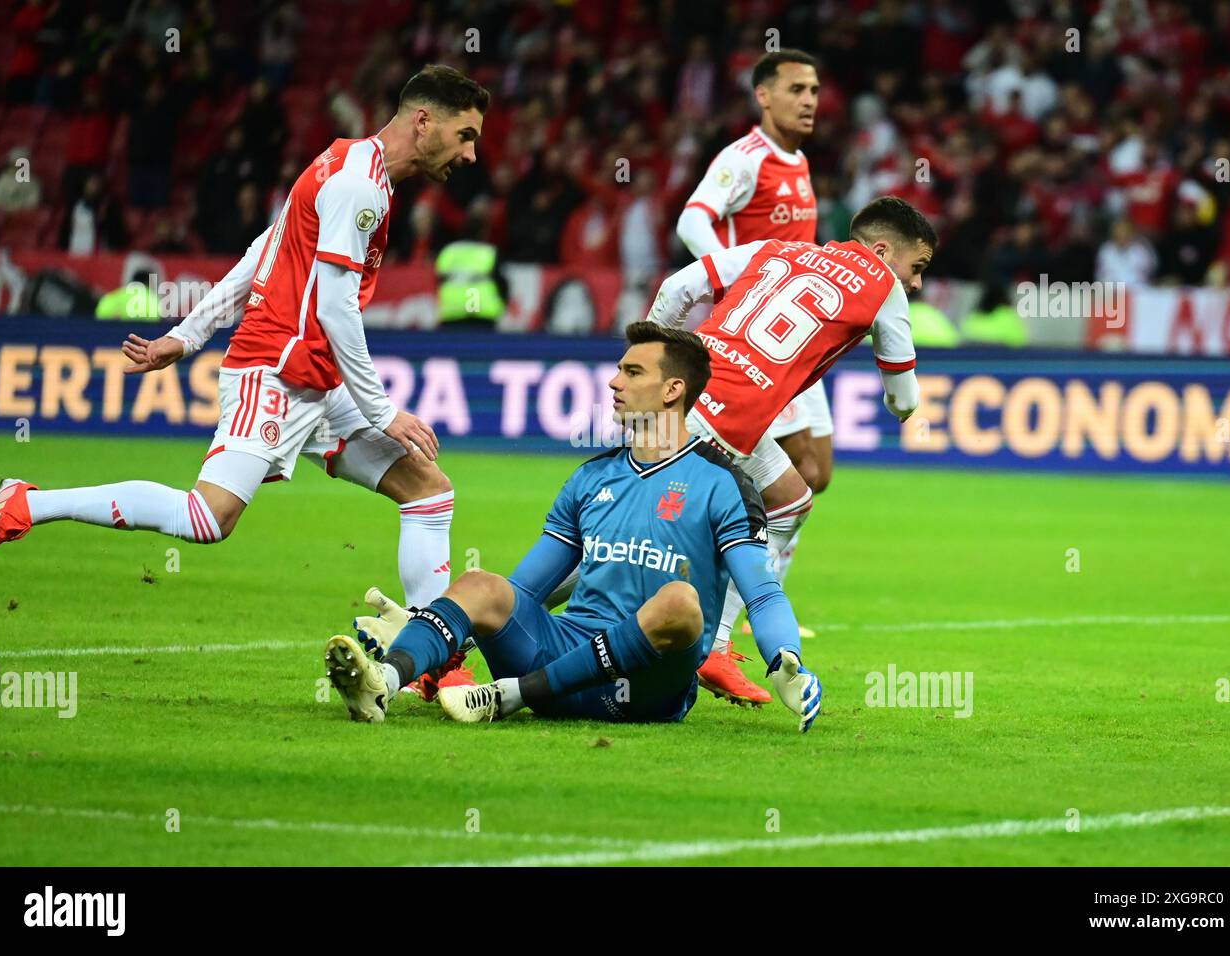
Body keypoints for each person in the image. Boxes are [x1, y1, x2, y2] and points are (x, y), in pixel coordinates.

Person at [0, 66, 489, 621]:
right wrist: (384, 412)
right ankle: (25, 503)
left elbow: (261, 253)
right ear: (423, 121)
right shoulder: (359, 186)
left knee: (429, 493)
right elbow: (334, 308)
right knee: (206, 518)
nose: (471, 156)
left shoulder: (345, 164)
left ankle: (430, 654)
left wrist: (185, 334)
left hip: (315, 378)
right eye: (466, 136)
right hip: (273, 370)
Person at [323, 322, 823, 731]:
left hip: (647, 685)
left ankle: (511, 696)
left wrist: (784, 657)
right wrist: (441, 627)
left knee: (680, 602)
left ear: (673, 390)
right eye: (617, 370)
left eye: (632, 372)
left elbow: (760, 591)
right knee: (480, 585)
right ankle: (382, 683)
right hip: (563, 652)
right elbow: (524, 591)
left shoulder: (723, 482)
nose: (614, 383)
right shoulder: (591, 478)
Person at [648, 196, 934, 697]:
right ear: (885, 252)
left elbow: (678, 287)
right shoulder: (884, 285)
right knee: (623, 542)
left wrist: (650, 373)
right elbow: (904, 402)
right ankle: (489, 620)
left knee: (791, 498)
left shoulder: (777, 248)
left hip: (679, 392)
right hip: (728, 415)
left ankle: (714, 650)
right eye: (918, 266)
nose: (917, 283)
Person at [676, 50, 832, 700]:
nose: (810, 99)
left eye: (816, 89)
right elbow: (691, 220)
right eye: (796, 88)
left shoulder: (798, 162)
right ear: (763, 96)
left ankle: (722, 622)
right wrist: (735, 276)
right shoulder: (745, 157)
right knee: (788, 488)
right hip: (749, 347)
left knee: (810, 476)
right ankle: (717, 635)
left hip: (790, 345)